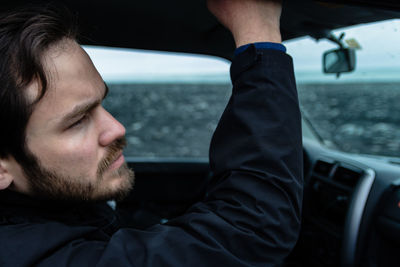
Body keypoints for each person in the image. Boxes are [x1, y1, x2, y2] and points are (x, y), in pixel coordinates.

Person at [0, 0, 303, 266]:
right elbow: (251, 231)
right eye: (77, 121)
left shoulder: (54, 209)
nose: (116, 129)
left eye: (102, 103)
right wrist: (259, 36)